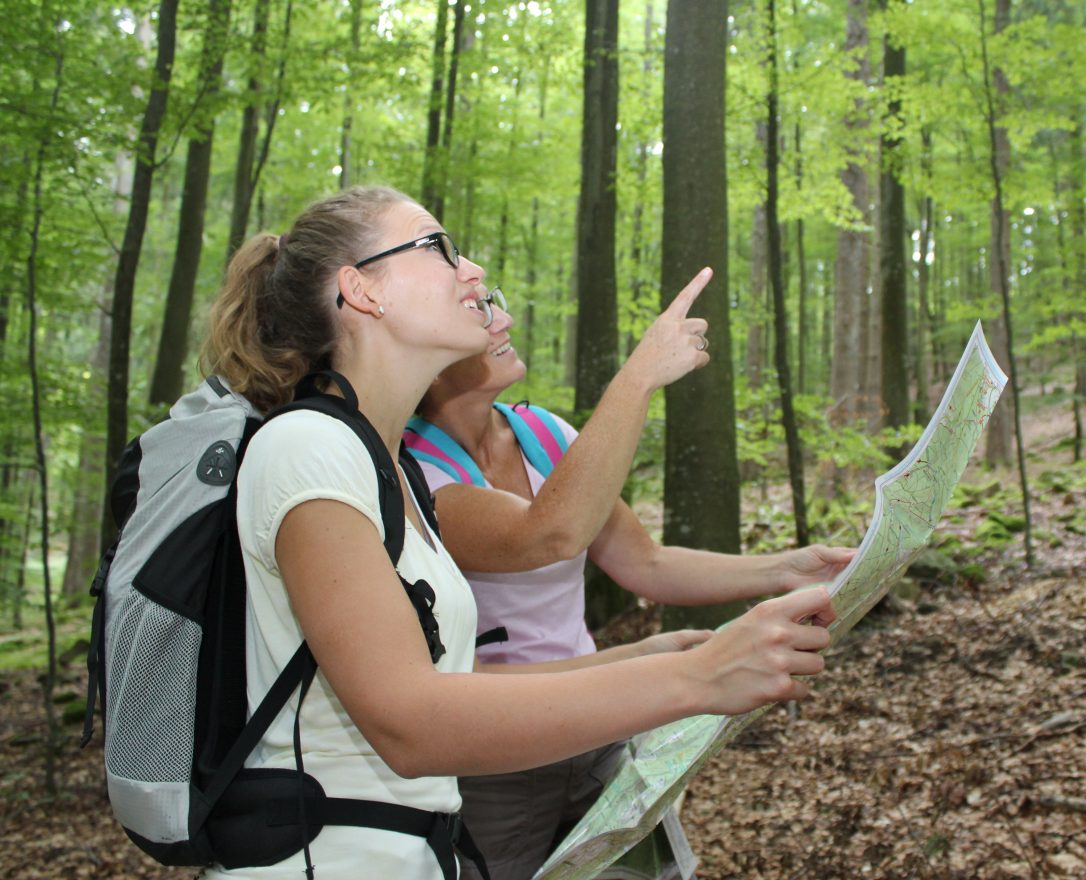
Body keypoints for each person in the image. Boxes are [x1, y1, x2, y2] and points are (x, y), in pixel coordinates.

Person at [196, 185, 836, 880]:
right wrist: (698, 676)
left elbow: (450, 682)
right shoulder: (307, 449)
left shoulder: (388, 467)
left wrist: (644, 657)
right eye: (438, 248)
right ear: (362, 290)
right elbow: (411, 722)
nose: (472, 272)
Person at [408, 293, 855, 880]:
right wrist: (641, 374)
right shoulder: (410, 471)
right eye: (479, 313)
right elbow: (547, 535)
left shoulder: (543, 433)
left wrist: (784, 570)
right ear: (431, 356)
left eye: (494, 304)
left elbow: (645, 561)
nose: (504, 320)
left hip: (600, 722)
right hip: (499, 754)